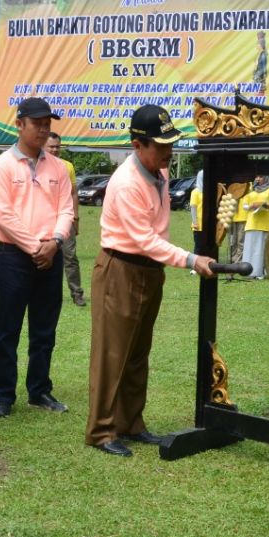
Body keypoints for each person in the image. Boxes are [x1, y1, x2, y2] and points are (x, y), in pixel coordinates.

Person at [86, 105, 216, 457]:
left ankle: (131, 423)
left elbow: (154, 237)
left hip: (148, 271)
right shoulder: (127, 182)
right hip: (121, 269)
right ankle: (101, 430)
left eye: (170, 143)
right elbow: (144, 239)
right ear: (137, 144)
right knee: (112, 353)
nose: (168, 151)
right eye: (160, 145)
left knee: (138, 353)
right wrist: (190, 259)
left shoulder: (158, 173)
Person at [0, 98, 75, 417]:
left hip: (50, 255)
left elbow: (66, 209)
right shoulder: (1, 166)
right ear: (19, 124)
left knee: (44, 330)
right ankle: (3, 395)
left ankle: (39, 390)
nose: (43, 128)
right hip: (13, 257)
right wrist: (37, 246)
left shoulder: (57, 167)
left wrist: (54, 241)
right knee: (7, 329)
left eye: (47, 123)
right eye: (36, 123)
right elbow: (4, 216)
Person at [44, 131, 86, 306]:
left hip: (66, 218)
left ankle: (76, 293)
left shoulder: (67, 166)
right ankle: (46, 293)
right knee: (46, 256)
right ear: (43, 146)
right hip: (46, 220)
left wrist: (75, 217)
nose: (54, 150)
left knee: (70, 257)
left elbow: (74, 193)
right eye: (51, 146)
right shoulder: (38, 166)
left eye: (57, 147)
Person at [241, 176, 269, 280]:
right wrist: (250, 207)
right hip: (252, 224)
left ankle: (260, 272)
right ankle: (248, 271)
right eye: (257, 177)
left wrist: (267, 206)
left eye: (260, 177)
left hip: (265, 224)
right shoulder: (251, 189)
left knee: (261, 250)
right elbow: (245, 205)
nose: (258, 179)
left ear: (265, 178)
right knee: (250, 249)